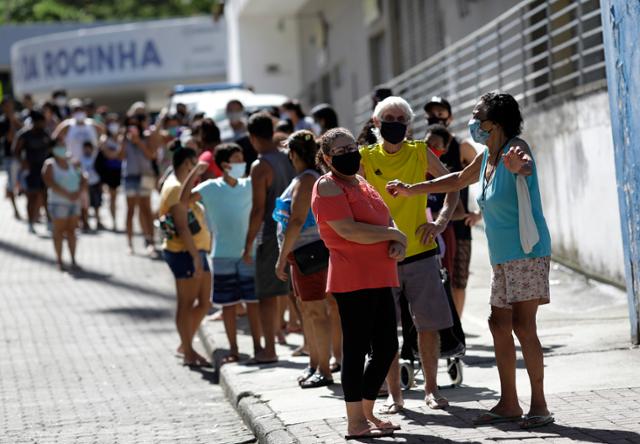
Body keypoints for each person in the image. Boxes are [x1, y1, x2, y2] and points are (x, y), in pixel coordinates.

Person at [386, 92, 554, 429]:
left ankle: (540, 405)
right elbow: (458, 179)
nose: (473, 121)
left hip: (526, 252)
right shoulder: (488, 155)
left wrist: (521, 167)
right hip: (502, 258)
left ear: (496, 121)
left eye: (479, 116)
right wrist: (411, 189)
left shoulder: (515, 148)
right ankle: (509, 403)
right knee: (497, 324)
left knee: (523, 326)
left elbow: (527, 165)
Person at [358, 96, 458, 412]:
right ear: (376, 122)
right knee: (385, 331)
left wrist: (440, 222)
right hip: (381, 256)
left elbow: (453, 184)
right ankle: (394, 396)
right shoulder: (363, 157)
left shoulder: (418, 152)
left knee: (428, 326)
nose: (396, 123)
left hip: (421, 252)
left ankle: (431, 390)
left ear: (409, 125)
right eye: (389, 117)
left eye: (402, 119)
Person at [312, 127, 404, 439]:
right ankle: (355, 422)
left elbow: (385, 220)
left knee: (388, 346)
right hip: (352, 278)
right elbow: (348, 230)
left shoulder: (362, 183)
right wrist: (393, 236)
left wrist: (396, 240)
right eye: (340, 151)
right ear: (327, 158)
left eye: (352, 146)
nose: (350, 153)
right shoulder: (326, 186)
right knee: (355, 349)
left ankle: (366, 413)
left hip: (380, 274)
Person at [180, 143, 262, 364]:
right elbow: (184, 200)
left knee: (253, 302)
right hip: (222, 255)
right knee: (228, 305)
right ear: (225, 164)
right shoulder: (209, 187)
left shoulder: (250, 184)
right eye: (237, 158)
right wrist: (194, 175)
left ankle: (258, 347)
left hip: (249, 253)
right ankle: (233, 349)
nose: (241, 162)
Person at [273, 130, 334, 388]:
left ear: (295, 153)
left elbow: (297, 220)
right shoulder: (304, 178)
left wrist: (280, 257)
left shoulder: (307, 179)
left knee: (316, 312)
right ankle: (314, 363)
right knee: (308, 311)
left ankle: (324, 369)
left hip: (310, 254)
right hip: (302, 255)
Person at [242, 112, 295, 364]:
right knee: (297, 293)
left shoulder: (260, 166)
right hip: (297, 230)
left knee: (266, 295)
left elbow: (258, 210)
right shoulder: (288, 157)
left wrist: (248, 242)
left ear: (252, 137)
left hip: (272, 234)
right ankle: (312, 347)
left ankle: (269, 349)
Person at [424, 96, 481, 316]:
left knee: (458, 280)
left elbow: (488, 175)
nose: (435, 117)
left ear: (450, 117)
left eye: (440, 113)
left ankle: (457, 331)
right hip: (430, 227)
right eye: (431, 113)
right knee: (435, 282)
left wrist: (479, 213)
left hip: (458, 224)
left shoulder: (462, 147)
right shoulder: (420, 148)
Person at [158, 140, 212, 367]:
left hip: (195, 251)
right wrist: (195, 258)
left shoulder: (178, 184)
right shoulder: (174, 188)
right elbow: (181, 227)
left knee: (203, 302)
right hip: (184, 253)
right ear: (188, 163)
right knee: (187, 303)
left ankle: (186, 343)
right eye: (195, 163)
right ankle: (188, 349)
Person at [119, 103, 161, 256]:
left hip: (146, 175)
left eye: (141, 117)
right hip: (130, 176)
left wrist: (139, 142)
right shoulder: (125, 135)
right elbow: (121, 156)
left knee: (146, 210)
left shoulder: (149, 135)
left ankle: (150, 242)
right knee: (130, 210)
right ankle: (129, 243)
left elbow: (152, 155)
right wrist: (125, 139)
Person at [42, 143, 86, 271]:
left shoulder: (73, 163)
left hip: (74, 203)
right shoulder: (50, 164)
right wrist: (67, 194)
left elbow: (83, 178)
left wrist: (77, 193)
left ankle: (73, 260)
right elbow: (49, 182)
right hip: (58, 203)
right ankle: (59, 261)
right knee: (59, 232)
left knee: (72, 231)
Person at [13, 110, 52, 233]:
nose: (44, 124)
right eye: (42, 122)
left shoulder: (45, 133)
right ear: (36, 122)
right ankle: (30, 223)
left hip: (44, 169)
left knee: (46, 196)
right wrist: (23, 162)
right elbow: (15, 150)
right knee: (32, 197)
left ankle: (49, 222)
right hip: (31, 170)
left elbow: (51, 148)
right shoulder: (24, 135)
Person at [98, 113, 123, 231]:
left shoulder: (122, 138)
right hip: (110, 172)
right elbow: (109, 155)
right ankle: (114, 221)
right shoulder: (104, 139)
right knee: (112, 197)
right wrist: (118, 152)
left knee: (117, 197)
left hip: (122, 170)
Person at [1, 96, 23, 219]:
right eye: (7, 105)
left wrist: (14, 120)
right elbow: (11, 138)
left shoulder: (17, 118)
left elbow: (24, 131)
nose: (10, 107)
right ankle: (15, 210)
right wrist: (10, 121)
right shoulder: (3, 122)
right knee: (11, 185)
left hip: (21, 157)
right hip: (10, 157)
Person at [224, 100, 257, 175]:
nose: (234, 113)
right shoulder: (220, 128)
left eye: (237, 110)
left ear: (242, 111)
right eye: (231, 110)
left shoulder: (249, 127)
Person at [80, 141, 103, 231]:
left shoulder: (95, 157)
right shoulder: (80, 159)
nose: (87, 150)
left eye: (89, 148)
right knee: (85, 206)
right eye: (85, 148)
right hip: (86, 185)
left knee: (97, 204)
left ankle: (98, 222)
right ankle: (85, 223)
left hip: (96, 183)